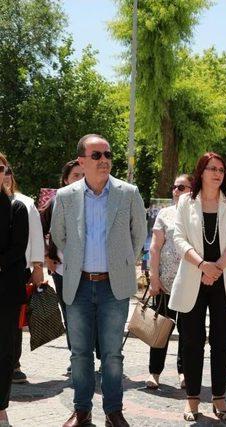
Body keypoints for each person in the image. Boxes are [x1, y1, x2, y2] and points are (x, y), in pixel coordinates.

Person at [51, 134, 147, 427]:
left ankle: (113, 410)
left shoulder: (128, 192)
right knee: (79, 354)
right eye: (96, 156)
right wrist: (79, 259)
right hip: (77, 284)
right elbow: (59, 235)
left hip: (113, 286)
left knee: (112, 354)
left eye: (107, 155)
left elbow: (138, 234)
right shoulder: (66, 196)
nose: (104, 160)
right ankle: (82, 410)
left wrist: (120, 262)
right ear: (81, 161)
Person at [168, 152, 226, 421]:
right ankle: (192, 399)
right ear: (200, 172)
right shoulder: (185, 201)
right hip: (194, 275)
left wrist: (216, 269)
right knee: (192, 341)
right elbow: (179, 239)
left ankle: (219, 397)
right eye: (212, 168)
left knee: (222, 341)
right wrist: (204, 265)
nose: (217, 173)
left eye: (221, 170)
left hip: (225, 279)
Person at [145, 174, 193, 389]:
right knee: (160, 331)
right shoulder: (165, 214)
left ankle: (184, 372)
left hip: (189, 284)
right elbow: (155, 247)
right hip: (165, 283)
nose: (176, 190)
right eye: (174, 186)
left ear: (192, 190)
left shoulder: (197, 213)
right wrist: (153, 278)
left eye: (181, 187)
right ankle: (154, 373)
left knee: (187, 333)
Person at [40, 159, 85, 374]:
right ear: (66, 179)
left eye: (83, 175)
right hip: (62, 271)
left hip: (92, 272)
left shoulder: (98, 200)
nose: (81, 179)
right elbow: (38, 230)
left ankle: (96, 356)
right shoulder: (55, 202)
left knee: (92, 315)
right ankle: (76, 358)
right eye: (76, 175)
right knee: (71, 315)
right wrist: (46, 258)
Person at [3, 164, 45, 384]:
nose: (5, 175)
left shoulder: (25, 203)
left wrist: (38, 268)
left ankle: (14, 363)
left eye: (7, 170)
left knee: (14, 319)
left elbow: (36, 237)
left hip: (19, 269)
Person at [0, 153, 29, 427]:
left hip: (5, 291)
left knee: (4, 350)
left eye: (1, 168)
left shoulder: (16, 207)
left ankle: (0, 407)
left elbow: (18, 249)